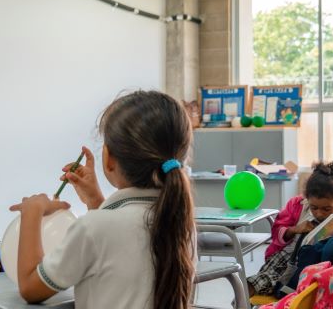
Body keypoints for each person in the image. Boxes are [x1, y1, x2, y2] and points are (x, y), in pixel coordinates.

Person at [11, 90, 196, 308]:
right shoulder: (179, 220)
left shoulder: (94, 228)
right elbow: (121, 247)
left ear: (108, 159)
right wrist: (95, 201)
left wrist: (32, 211)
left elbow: (30, 287)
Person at [247, 160, 333, 298]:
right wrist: (294, 229)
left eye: (326, 209)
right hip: (287, 256)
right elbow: (277, 231)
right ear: (307, 199)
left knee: (275, 285)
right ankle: (244, 300)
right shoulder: (297, 205)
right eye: (314, 208)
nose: (319, 213)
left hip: (315, 265)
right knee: (258, 282)